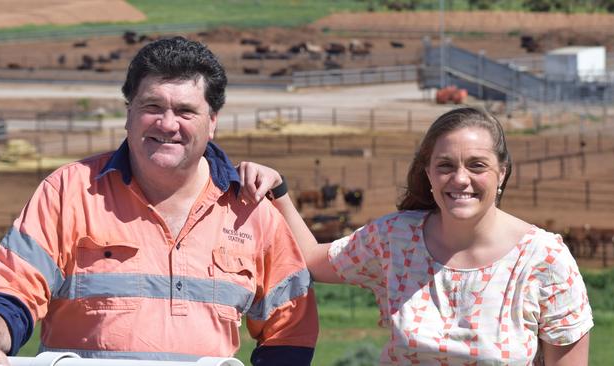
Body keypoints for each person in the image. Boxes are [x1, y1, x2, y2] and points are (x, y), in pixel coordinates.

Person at [0, 37, 318, 365]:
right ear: (129, 112)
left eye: (186, 111)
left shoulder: (251, 209)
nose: (167, 124)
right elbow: (12, 287)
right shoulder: (70, 191)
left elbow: (290, 328)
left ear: (212, 122)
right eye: (152, 107)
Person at [238, 107, 593, 365]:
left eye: (477, 165)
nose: (460, 179)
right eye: (445, 166)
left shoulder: (544, 260)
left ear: (502, 172)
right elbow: (313, 259)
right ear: (428, 173)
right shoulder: (396, 237)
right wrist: (278, 189)